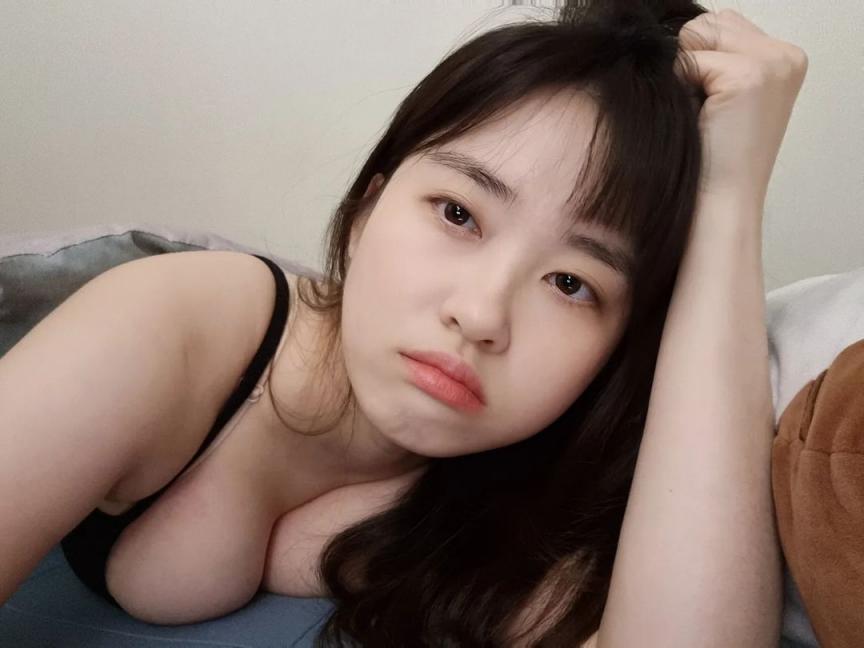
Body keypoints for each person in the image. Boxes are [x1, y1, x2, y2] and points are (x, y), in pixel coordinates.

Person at [0, 0, 807, 646]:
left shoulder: (529, 481)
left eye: (571, 283)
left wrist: (729, 203)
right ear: (366, 208)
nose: (480, 313)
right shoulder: (170, 325)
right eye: (458, 213)